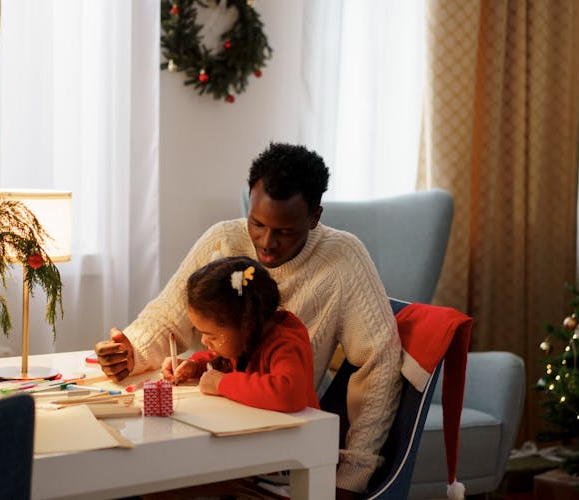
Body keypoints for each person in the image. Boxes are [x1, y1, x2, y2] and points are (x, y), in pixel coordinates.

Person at [95, 142, 402, 498]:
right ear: (249, 202)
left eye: (285, 231)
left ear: (314, 217)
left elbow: (381, 362)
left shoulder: (343, 258)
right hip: (214, 427)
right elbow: (168, 316)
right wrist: (131, 350)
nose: (266, 242)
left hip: (277, 445)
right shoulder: (223, 238)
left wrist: (350, 475)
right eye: (256, 223)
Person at [162, 255, 320, 412]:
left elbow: (289, 395)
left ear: (245, 325)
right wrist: (195, 366)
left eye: (212, 336)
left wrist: (221, 383)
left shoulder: (285, 344)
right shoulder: (242, 341)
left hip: (299, 434)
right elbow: (223, 360)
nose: (204, 341)